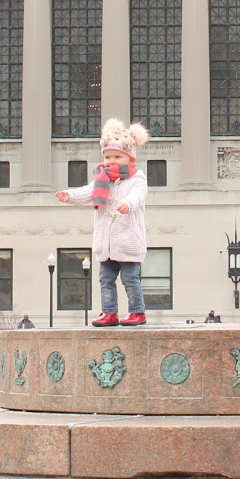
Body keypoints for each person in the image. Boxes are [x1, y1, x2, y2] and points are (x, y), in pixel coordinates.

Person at [56, 118, 152, 327]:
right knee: (105, 280)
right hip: (106, 243)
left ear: (130, 158)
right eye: (108, 156)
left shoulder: (137, 179)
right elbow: (87, 192)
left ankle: (137, 311)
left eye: (118, 156)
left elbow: (138, 195)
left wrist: (128, 203)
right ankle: (109, 312)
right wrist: (69, 195)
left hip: (127, 241)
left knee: (130, 280)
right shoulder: (102, 178)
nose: (111, 160)